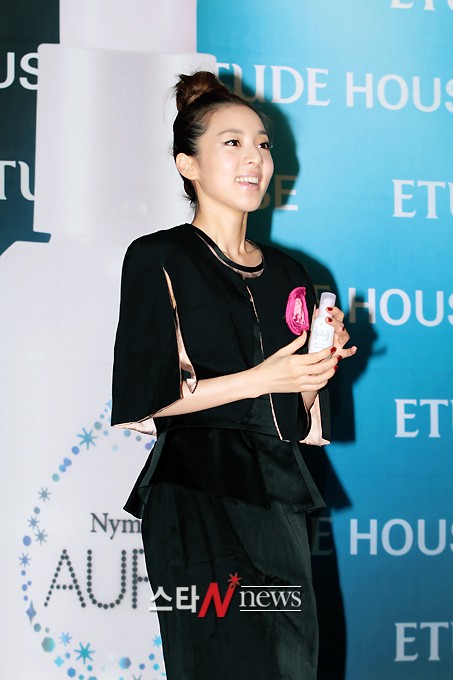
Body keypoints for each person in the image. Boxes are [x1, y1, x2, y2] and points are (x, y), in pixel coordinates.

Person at [111, 71, 357, 680]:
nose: (255, 158)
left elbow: (294, 415)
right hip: (195, 492)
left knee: (291, 664)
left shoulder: (292, 273)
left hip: (277, 489)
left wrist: (316, 370)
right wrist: (262, 378)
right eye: (232, 143)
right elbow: (149, 398)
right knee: (218, 662)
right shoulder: (159, 256)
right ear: (187, 164)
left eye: (263, 144)